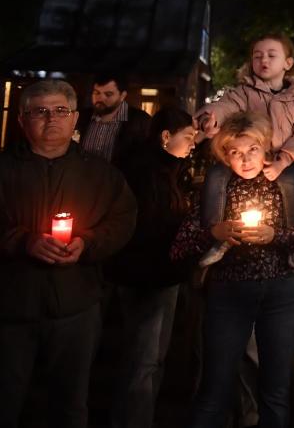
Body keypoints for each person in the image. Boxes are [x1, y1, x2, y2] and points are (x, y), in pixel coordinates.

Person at [170, 111, 294, 428]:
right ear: (224, 154)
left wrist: (277, 236)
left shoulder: (286, 183)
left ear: (264, 148)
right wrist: (212, 234)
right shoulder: (216, 188)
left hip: (281, 294)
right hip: (228, 294)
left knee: (275, 391)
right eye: (235, 152)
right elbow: (179, 246)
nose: (244, 159)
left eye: (252, 150)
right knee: (214, 389)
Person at [0, 79, 137, 428]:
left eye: (61, 110)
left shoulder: (100, 174)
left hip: (76, 306)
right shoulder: (4, 169)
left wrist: (88, 243)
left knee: (70, 405)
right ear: (21, 119)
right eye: (40, 111)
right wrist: (21, 240)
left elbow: (122, 220)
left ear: (76, 118)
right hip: (10, 306)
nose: (52, 119)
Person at [194, 33, 294, 270]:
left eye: (271, 55)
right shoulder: (244, 92)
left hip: (282, 159)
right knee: (216, 175)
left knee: (292, 179)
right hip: (247, 155)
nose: (263, 59)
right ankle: (217, 237)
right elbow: (226, 105)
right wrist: (210, 117)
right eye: (257, 55)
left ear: (288, 63)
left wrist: (284, 160)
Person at [107, 107, 198, 428]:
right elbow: (151, 227)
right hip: (150, 276)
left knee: (147, 358)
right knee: (144, 359)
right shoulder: (148, 175)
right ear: (165, 137)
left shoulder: (165, 169)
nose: (193, 144)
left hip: (158, 273)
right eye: (187, 137)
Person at [78, 72, 152, 167]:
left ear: (122, 96)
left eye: (108, 94)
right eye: (96, 93)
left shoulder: (140, 121)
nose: (100, 98)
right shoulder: (82, 117)